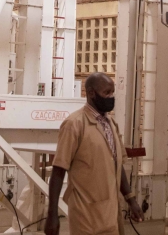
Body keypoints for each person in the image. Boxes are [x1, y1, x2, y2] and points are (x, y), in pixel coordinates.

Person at [45, 72, 143, 235]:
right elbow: (58, 171)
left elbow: (117, 166)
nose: (111, 97)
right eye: (106, 93)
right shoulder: (74, 124)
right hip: (86, 215)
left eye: (112, 92)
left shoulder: (111, 124)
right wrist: (52, 214)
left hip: (111, 213)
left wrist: (130, 199)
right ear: (91, 93)